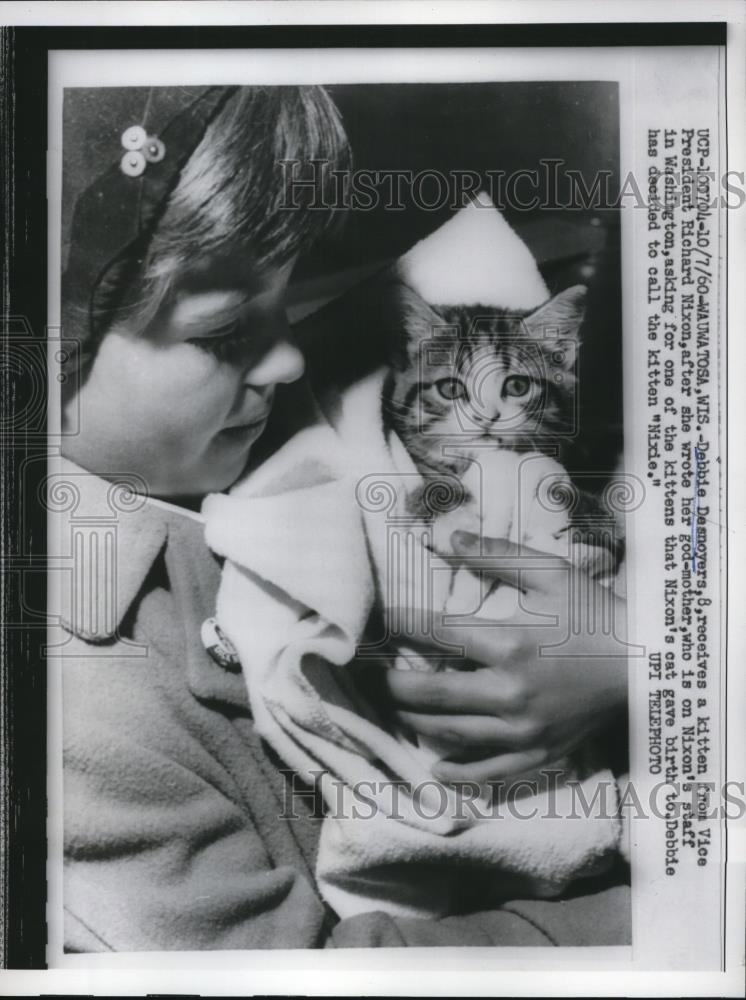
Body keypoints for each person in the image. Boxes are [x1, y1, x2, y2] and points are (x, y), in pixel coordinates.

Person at [57, 84, 629, 951]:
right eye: (221, 334)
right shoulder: (77, 716)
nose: (290, 356)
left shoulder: (243, 433)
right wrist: (658, 925)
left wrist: (635, 665)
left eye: (286, 305)